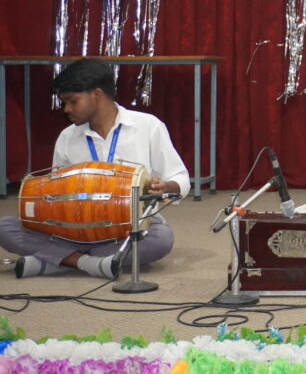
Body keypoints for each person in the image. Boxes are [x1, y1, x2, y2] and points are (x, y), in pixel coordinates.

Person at [0, 58, 189, 279]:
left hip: (126, 228)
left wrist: (167, 186)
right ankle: (89, 262)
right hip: (73, 230)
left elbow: (180, 178)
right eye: (64, 102)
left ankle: (57, 261)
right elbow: (56, 194)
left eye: (72, 101)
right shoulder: (67, 137)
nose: (66, 109)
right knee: (6, 227)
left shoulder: (148, 126)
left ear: (96, 95)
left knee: (160, 238)